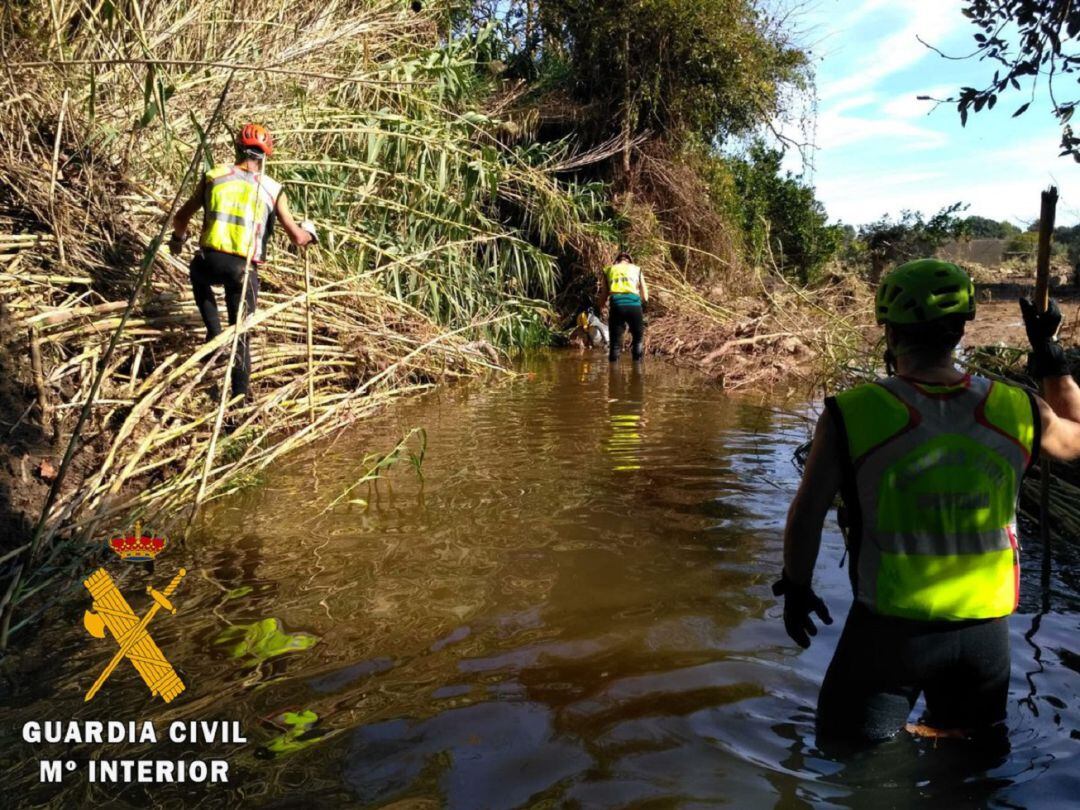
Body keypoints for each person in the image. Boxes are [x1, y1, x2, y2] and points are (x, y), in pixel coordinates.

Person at [777, 259, 1080, 744]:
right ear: (960, 330)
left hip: (889, 633)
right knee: (967, 771)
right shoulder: (1018, 408)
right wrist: (1050, 356)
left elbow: (807, 515)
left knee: (851, 762)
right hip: (985, 637)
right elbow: (1078, 435)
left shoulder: (850, 414)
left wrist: (795, 587)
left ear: (890, 335)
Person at [168, 123, 316, 400]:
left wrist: (178, 240)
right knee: (241, 334)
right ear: (266, 156)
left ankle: (213, 335)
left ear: (237, 148)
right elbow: (297, 237)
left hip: (210, 261)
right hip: (243, 270)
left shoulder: (214, 176)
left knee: (196, 273)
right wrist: (310, 233)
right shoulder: (273, 189)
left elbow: (180, 218)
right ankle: (239, 398)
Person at [598, 250, 648, 362]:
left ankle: (613, 374)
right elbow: (645, 296)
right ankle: (637, 372)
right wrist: (642, 304)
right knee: (638, 340)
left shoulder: (609, 269)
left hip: (617, 306)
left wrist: (601, 306)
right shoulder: (636, 269)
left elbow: (604, 294)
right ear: (630, 261)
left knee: (615, 344)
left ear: (616, 261)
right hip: (634, 306)